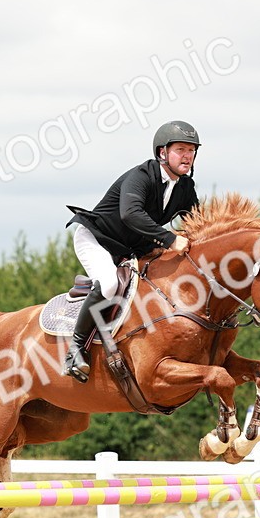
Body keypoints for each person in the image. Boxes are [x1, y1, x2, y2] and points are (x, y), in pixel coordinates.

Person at [62, 120, 202, 382]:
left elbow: (197, 221)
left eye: (192, 150)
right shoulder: (141, 176)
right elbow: (130, 214)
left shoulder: (185, 187)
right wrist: (169, 238)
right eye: (181, 149)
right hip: (98, 238)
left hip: (131, 245)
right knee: (107, 284)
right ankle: (75, 350)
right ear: (163, 152)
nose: (187, 156)